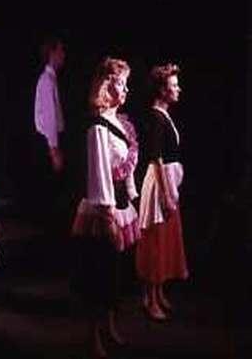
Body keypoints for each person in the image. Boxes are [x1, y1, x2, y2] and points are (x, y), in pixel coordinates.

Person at [71, 58, 140, 358]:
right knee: (99, 273)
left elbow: (127, 168)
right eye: (121, 83)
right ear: (108, 85)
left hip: (121, 207)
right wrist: (108, 214)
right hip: (103, 210)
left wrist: (133, 198)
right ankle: (93, 335)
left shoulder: (120, 122)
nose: (126, 89)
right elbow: (99, 173)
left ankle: (110, 326)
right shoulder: (98, 127)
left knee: (115, 275)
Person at [136, 63, 188, 321]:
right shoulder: (156, 117)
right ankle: (150, 298)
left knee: (164, 240)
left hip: (167, 183)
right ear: (161, 90)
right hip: (159, 185)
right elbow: (155, 158)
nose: (178, 89)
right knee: (156, 241)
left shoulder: (164, 115)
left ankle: (156, 293)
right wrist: (166, 194)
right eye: (174, 86)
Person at [34, 36, 67, 174]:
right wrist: (54, 151)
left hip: (50, 144)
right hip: (47, 146)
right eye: (60, 50)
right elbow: (50, 117)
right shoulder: (47, 80)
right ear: (52, 53)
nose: (63, 55)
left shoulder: (51, 79)